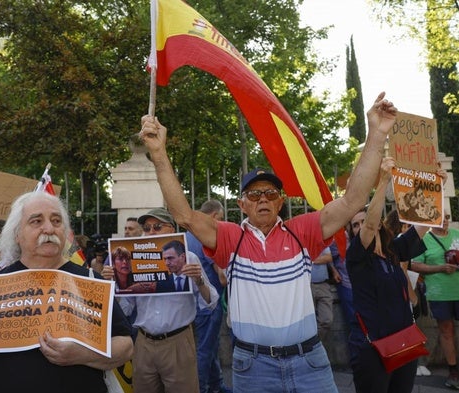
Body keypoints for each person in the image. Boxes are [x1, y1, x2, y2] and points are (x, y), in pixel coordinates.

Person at [139, 91, 398, 392]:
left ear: (281, 202)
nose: (263, 199)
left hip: (310, 362)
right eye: (254, 194)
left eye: (271, 193)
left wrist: (377, 134)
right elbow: (183, 215)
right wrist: (158, 154)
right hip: (253, 368)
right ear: (242, 204)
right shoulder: (231, 238)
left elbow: (353, 200)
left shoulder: (302, 232)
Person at [0, 192, 133, 393]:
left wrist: (82, 354)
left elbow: (125, 345)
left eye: (56, 221)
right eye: (36, 221)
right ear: (17, 235)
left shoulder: (91, 282)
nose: (48, 228)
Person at [346, 157, 441, 393]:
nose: (361, 226)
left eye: (363, 221)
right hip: (372, 350)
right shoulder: (356, 257)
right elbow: (369, 227)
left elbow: (424, 222)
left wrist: (435, 184)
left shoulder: (394, 250)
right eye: (354, 225)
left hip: (404, 343)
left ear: (378, 223)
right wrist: (384, 179)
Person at [106, 207, 219, 393]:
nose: (151, 232)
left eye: (157, 227)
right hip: (144, 342)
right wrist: (113, 285)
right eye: (147, 228)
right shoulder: (134, 263)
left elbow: (210, 302)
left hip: (178, 342)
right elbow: (125, 308)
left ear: (172, 230)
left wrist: (199, 281)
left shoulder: (188, 259)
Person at [411, 211, 459, 389]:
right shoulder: (424, 239)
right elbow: (414, 264)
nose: (445, 221)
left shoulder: (457, 235)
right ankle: (453, 372)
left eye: (447, 217)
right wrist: (441, 267)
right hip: (439, 293)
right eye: (441, 217)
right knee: (446, 331)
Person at [187, 200, 231, 393]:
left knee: (210, 347)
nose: (221, 223)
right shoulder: (207, 236)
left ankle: (216, 385)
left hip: (194, 302)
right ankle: (202, 389)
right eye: (220, 219)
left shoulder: (188, 235)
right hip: (210, 303)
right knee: (205, 349)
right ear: (213, 217)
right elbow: (222, 277)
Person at [311, 247, 334, 342]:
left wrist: (311, 260)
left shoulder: (320, 240)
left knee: (327, 320)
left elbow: (329, 257)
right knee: (309, 323)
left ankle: (315, 344)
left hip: (323, 283)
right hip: (306, 286)